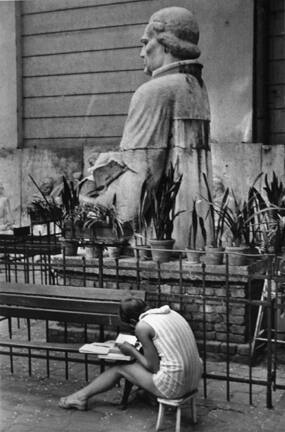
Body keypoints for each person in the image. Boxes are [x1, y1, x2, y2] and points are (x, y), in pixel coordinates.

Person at [79, 6, 212, 249]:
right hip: (194, 227)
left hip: (155, 234)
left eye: (146, 42)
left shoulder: (153, 91)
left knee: (82, 198)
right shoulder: (195, 86)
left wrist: (93, 194)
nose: (142, 53)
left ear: (166, 44)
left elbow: (142, 173)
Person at [58, 298, 202, 410]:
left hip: (175, 386)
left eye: (131, 326)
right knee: (138, 366)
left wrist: (131, 350)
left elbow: (153, 367)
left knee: (120, 368)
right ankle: (147, 393)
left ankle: (80, 397)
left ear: (133, 321)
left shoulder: (143, 326)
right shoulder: (171, 313)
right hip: (194, 378)